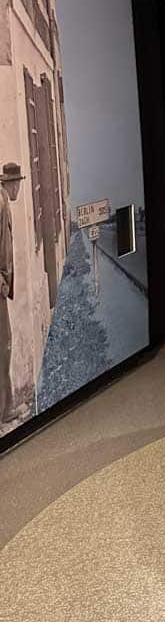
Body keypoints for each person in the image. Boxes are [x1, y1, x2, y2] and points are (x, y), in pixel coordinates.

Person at [0, 162, 22, 425]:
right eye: (17, 184)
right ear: (12, 183)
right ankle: (5, 410)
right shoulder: (2, 203)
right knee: (4, 346)